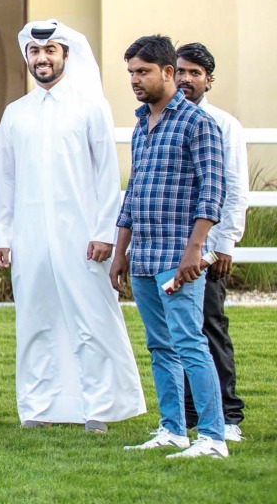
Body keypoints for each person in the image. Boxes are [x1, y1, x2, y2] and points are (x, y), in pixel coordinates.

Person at [0, 20, 145, 432]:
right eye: (35, 53)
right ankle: (37, 409)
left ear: (65, 56)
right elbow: (5, 178)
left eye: (50, 51)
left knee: (90, 319)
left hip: (82, 235)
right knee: (35, 319)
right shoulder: (16, 113)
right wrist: (1, 235)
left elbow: (108, 176)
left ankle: (97, 410)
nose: (42, 59)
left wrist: (103, 233)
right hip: (29, 234)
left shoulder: (91, 107)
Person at [113, 35, 228, 459]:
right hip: (142, 256)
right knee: (159, 346)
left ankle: (213, 437)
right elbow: (133, 193)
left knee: (189, 343)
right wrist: (120, 252)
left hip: (178, 257)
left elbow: (211, 194)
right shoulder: (141, 124)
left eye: (142, 72)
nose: (135, 80)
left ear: (168, 73)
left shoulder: (199, 124)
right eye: (130, 73)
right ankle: (173, 429)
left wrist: (194, 251)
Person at [175, 42, 248, 442]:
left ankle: (229, 416)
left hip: (206, 249)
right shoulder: (163, 118)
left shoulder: (223, 125)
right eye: (181, 71)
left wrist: (224, 245)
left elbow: (234, 189)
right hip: (170, 243)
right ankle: (189, 415)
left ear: (208, 79)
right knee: (177, 333)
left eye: (195, 73)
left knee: (208, 327)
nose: (186, 78)